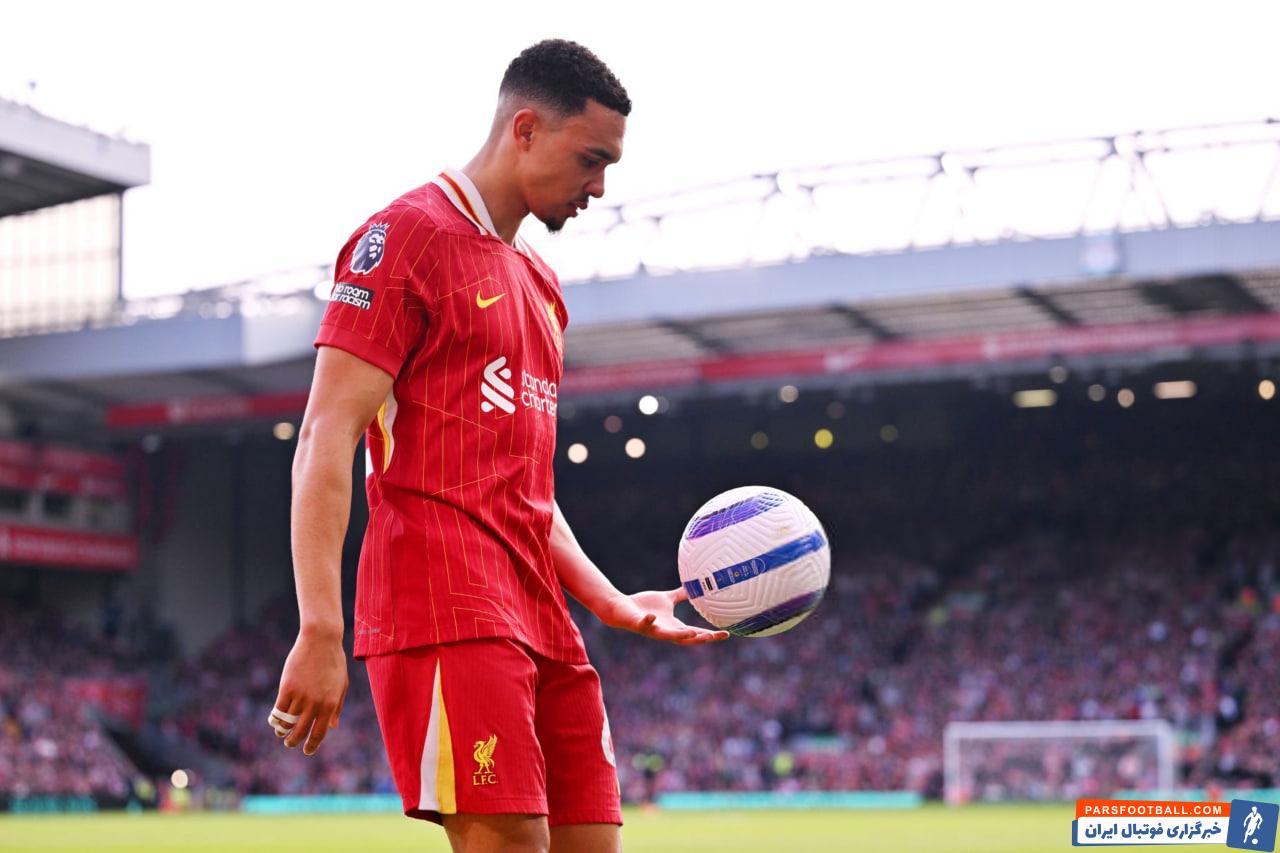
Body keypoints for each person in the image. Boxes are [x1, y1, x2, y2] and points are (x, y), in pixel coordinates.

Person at [267, 39, 727, 853]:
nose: (600, 186)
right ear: (525, 129)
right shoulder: (404, 238)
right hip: (444, 601)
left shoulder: (542, 287)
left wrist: (611, 602)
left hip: (542, 615)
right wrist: (320, 627)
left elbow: (529, 493)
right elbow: (324, 435)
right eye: (590, 159)